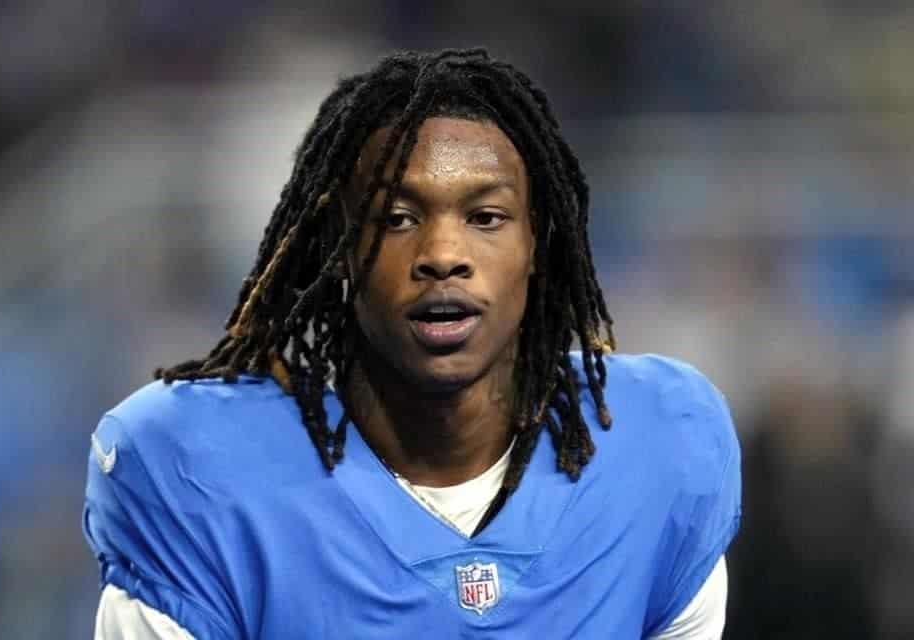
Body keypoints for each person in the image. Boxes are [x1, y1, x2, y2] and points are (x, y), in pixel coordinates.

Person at [83, 48, 741, 639]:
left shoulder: (660, 448)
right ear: (339, 245)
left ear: (537, 241)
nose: (444, 254)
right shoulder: (198, 472)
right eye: (397, 218)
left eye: (486, 217)